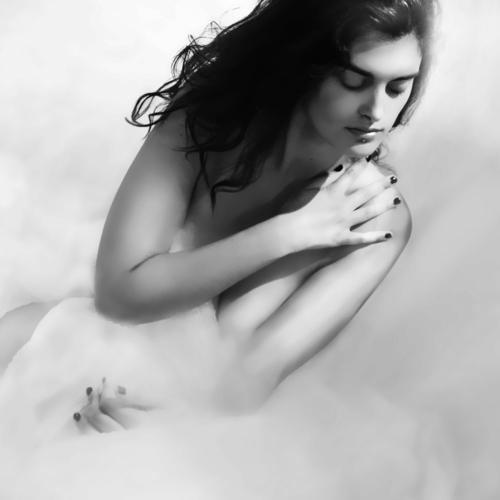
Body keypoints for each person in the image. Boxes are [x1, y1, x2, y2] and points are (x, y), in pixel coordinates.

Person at [4, 0, 439, 430]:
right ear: (307, 64)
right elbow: (119, 295)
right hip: (52, 351)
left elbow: (247, 379)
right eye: (353, 81)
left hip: (159, 424)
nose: (376, 112)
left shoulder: (375, 214)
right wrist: (290, 232)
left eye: (397, 88)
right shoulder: (211, 120)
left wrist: (169, 431)